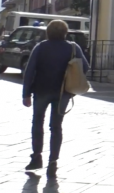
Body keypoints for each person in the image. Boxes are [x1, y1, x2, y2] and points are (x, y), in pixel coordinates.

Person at [22, 20, 90, 178]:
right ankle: (53, 162)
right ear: (65, 32)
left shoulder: (41, 47)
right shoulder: (73, 47)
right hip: (63, 92)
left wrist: (26, 94)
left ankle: (36, 157)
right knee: (56, 126)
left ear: (48, 31)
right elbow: (85, 67)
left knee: (37, 122)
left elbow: (29, 70)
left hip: (41, 90)